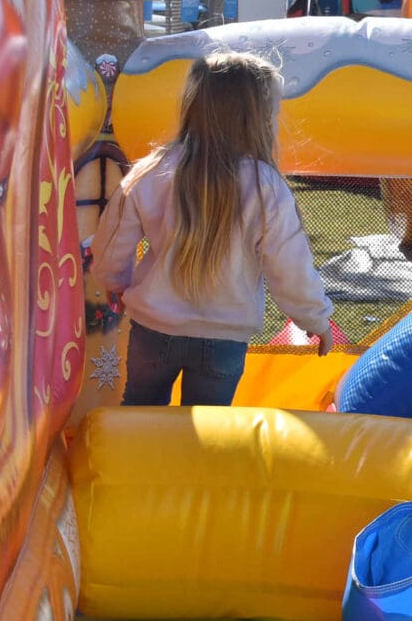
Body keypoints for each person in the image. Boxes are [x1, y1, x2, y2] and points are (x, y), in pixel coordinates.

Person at [94, 51, 334, 406]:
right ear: (256, 119)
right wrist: (315, 318)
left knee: (139, 416)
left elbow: (113, 243)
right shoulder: (264, 186)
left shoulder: (154, 170)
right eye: (272, 113)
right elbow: (290, 267)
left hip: (154, 327)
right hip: (223, 338)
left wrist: (114, 281)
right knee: (209, 428)